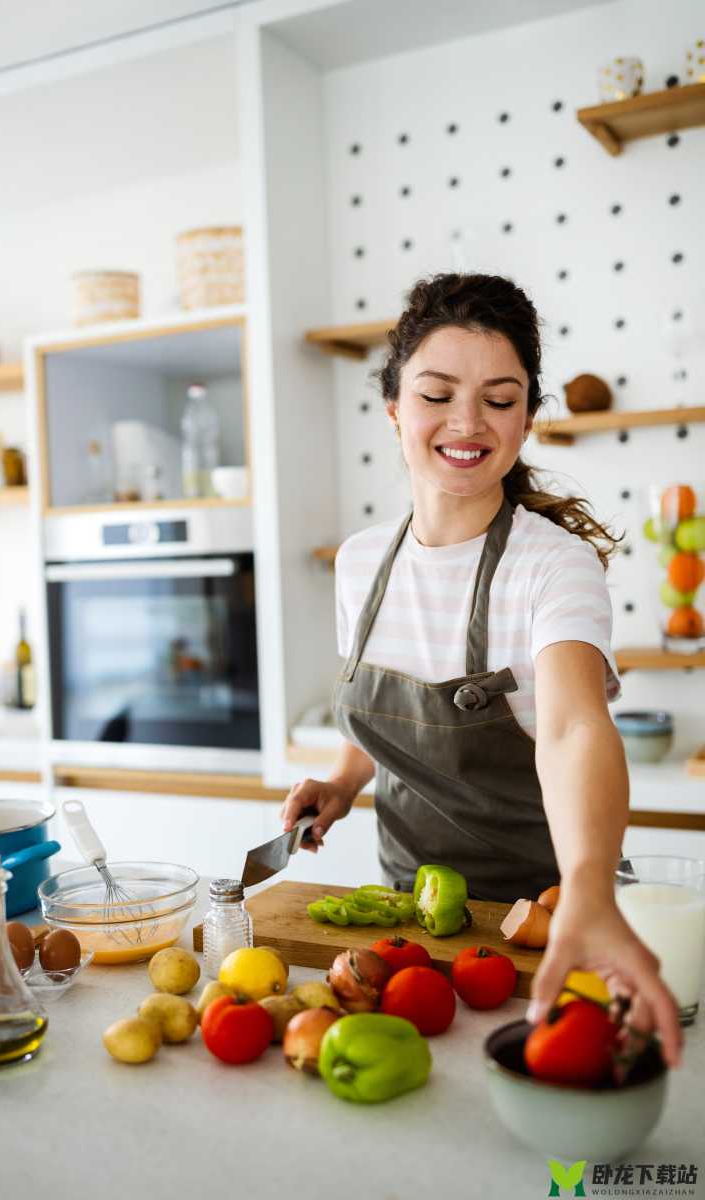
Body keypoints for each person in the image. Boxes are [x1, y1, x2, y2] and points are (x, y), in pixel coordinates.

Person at [281, 273, 682, 1067]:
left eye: (500, 400)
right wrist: (341, 783)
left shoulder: (553, 566)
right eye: (437, 394)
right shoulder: (363, 564)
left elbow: (571, 727)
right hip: (406, 923)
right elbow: (385, 723)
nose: (468, 423)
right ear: (394, 406)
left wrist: (592, 892)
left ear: (528, 419)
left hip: (544, 923)